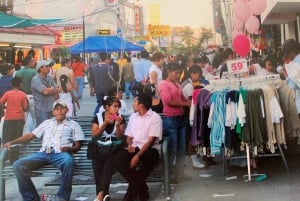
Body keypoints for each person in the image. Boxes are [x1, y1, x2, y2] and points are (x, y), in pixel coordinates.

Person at [2, 99, 85, 201]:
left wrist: (69, 149)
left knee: (68, 162)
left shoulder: (73, 124)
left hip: (61, 153)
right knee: (18, 165)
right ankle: (31, 198)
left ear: (66, 110)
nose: (59, 111)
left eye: (62, 109)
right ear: (53, 111)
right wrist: (12, 142)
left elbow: (78, 145)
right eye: (57, 109)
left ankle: (62, 197)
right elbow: (30, 136)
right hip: (43, 153)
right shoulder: (47, 123)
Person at [113, 93, 162, 201]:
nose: (133, 104)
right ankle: (142, 189)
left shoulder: (155, 118)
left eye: (135, 102)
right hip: (135, 147)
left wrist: (137, 156)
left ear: (141, 105)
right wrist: (130, 144)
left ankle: (129, 196)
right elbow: (129, 136)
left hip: (149, 149)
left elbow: (150, 140)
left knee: (150, 159)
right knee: (117, 159)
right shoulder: (133, 117)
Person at [158, 62, 191, 183]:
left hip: (180, 118)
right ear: (169, 72)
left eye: (178, 73)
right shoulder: (163, 84)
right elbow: (168, 101)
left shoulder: (177, 84)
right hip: (170, 119)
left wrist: (189, 102)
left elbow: (182, 97)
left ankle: (179, 174)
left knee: (182, 148)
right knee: (172, 148)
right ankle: (169, 175)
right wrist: (186, 104)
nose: (177, 75)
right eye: (175, 73)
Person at [92, 96, 125, 201]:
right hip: (101, 146)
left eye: (118, 107)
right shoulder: (98, 117)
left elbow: (120, 137)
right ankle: (104, 193)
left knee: (109, 162)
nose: (116, 109)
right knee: (96, 161)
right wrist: (105, 123)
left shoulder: (120, 117)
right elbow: (95, 135)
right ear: (107, 107)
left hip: (114, 147)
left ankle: (100, 194)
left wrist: (118, 125)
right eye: (114, 107)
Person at [181, 65, 205, 169]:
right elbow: (192, 102)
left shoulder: (185, 83)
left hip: (184, 113)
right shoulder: (189, 86)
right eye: (198, 75)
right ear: (192, 74)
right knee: (191, 137)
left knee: (189, 137)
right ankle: (194, 160)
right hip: (186, 114)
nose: (198, 78)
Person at [0, 77, 28, 162]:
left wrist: (3, 111)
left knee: (6, 138)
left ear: (11, 84)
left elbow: (1, 102)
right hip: (19, 119)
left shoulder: (7, 93)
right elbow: (25, 108)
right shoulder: (23, 94)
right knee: (17, 138)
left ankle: (5, 156)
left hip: (9, 118)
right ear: (20, 84)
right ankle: (14, 158)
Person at [31, 60, 62, 126]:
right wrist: (52, 89)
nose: (49, 68)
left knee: (52, 128)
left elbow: (59, 89)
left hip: (51, 107)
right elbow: (45, 92)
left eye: (49, 66)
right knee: (43, 128)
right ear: (40, 68)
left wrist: (51, 90)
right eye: (47, 66)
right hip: (41, 109)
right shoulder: (36, 79)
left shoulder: (49, 78)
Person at [15, 55, 37, 132]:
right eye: (33, 61)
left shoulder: (17, 73)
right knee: (35, 118)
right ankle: (34, 134)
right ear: (29, 62)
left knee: (24, 117)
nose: (34, 63)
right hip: (31, 96)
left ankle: (23, 135)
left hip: (20, 96)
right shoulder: (33, 72)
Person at [281, 39, 300, 117]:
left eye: (286, 53)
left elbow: (293, 86)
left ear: (291, 52)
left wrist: (285, 74)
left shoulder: (296, 64)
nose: (286, 56)